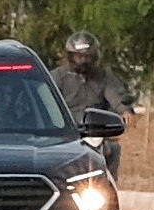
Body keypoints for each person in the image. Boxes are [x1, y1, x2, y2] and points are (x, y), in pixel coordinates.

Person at [49, 33, 129, 165]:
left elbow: (116, 96)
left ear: (95, 57)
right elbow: (46, 100)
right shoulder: (57, 77)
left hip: (95, 132)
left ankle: (108, 183)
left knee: (113, 148)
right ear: (70, 56)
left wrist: (124, 110)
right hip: (64, 133)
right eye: (79, 56)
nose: (83, 61)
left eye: (87, 57)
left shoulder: (104, 78)